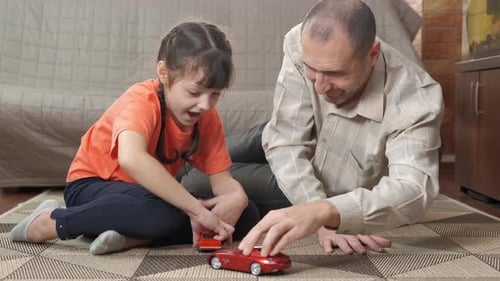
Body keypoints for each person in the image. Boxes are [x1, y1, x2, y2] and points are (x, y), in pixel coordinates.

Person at [182, 0, 443, 257]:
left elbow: (414, 189)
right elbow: (285, 141)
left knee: (195, 181)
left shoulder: (415, 99)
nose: (319, 87)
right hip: (283, 135)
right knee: (192, 152)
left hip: (322, 179)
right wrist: (316, 210)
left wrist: (326, 212)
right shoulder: (301, 43)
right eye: (311, 70)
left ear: (372, 54)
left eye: (335, 73)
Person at [10, 21, 260, 255]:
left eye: (215, 94)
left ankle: (132, 235)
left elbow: (223, 182)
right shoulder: (141, 100)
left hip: (147, 196)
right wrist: (195, 210)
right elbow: (131, 157)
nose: (205, 104)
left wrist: (236, 197)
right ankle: (52, 221)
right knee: (170, 213)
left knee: (247, 214)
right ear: (164, 73)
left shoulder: (206, 116)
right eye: (194, 92)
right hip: (92, 186)